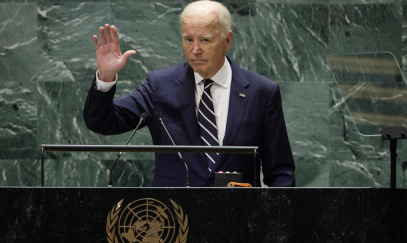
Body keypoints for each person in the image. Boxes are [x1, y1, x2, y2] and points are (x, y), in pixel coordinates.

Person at [84, 0, 295, 187]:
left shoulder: (261, 92)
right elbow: (102, 122)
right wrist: (105, 76)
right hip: (172, 220)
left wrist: (274, 224)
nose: (195, 50)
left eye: (205, 40)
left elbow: (280, 172)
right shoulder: (160, 86)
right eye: (188, 39)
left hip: (240, 220)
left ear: (227, 40)